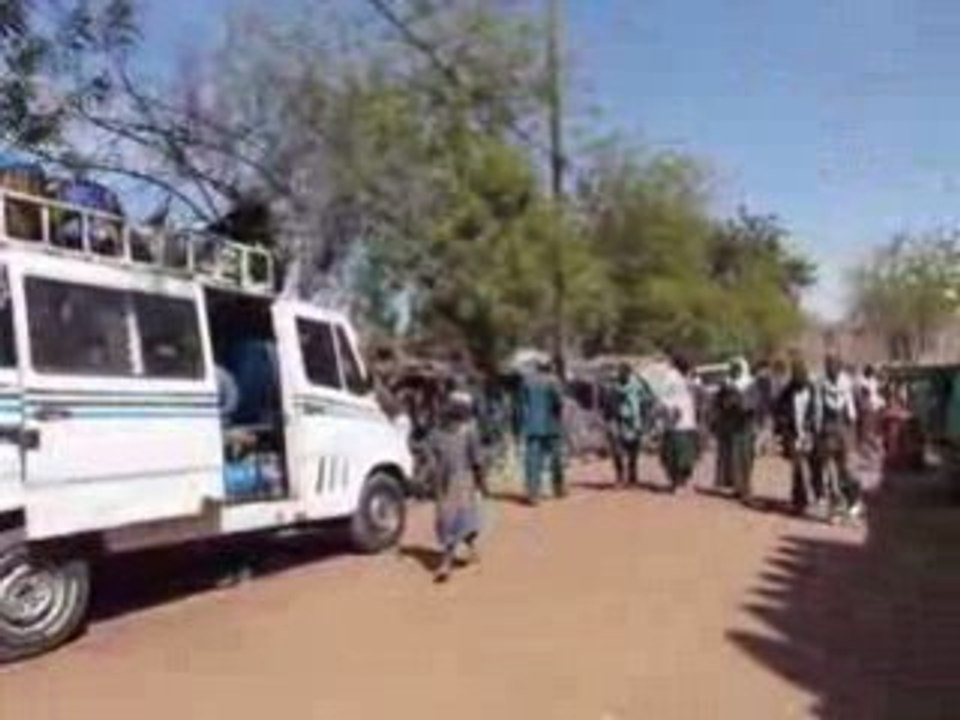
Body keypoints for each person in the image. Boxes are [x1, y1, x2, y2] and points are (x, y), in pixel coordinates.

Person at [424, 390, 488, 583]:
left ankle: (446, 562)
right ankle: (465, 551)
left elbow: (476, 460)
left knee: (452, 521)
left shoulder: (444, 431)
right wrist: (482, 482)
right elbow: (477, 461)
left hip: (453, 482)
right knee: (456, 520)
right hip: (454, 481)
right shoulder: (463, 430)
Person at [814, 354, 862, 521]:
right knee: (830, 470)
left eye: (834, 366)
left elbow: (854, 410)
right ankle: (835, 506)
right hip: (828, 430)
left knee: (847, 469)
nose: (831, 369)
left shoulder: (848, 383)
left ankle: (853, 501)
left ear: (839, 368)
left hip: (845, 430)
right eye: (829, 366)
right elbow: (818, 408)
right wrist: (818, 430)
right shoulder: (820, 383)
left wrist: (854, 433)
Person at [777, 358, 821, 515]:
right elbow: (779, 412)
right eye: (797, 375)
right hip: (793, 435)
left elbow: (817, 411)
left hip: (810, 434)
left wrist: (813, 430)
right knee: (798, 469)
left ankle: (817, 495)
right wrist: (784, 429)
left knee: (815, 466)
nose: (800, 378)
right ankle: (799, 500)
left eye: (802, 374)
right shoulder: (786, 392)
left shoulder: (812, 389)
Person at [519, 359, 565, 505]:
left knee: (533, 461)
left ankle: (533, 493)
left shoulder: (527, 381)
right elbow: (559, 402)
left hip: (532, 426)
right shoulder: (553, 381)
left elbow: (521, 404)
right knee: (556, 458)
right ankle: (558, 488)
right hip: (551, 424)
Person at [712, 358, 758, 502]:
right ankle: (738, 487)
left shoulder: (751, 384)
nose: (735, 371)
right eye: (733, 369)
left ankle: (745, 487)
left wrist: (738, 400)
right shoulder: (726, 385)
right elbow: (718, 403)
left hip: (746, 426)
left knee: (746, 458)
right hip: (732, 427)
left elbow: (753, 405)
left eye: (737, 369)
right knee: (734, 459)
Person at [604, 363, 655, 487]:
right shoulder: (612, 387)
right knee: (617, 451)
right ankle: (620, 477)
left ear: (629, 374)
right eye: (620, 373)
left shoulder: (638, 387)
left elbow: (648, 400)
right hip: (617, 421)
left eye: (624, 373)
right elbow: (607, 404)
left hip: (634, 422)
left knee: (633, 452)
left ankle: (632, 476)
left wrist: (645, 420)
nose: (621, 376)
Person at [658, 355, 700, 492]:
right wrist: (671, 409)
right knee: (675, 455)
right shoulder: (670, 376)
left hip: (689, 422)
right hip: (675, 423)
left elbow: (696, 392)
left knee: (688, 455)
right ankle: (676, 483)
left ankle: (685, 481)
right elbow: (662, 396)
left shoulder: (688, 377)